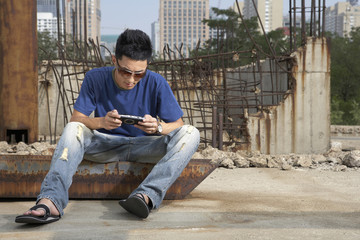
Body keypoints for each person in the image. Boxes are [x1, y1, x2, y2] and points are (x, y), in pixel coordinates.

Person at [15, 29, 200, 224]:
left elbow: (178, 124)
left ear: (147, 66)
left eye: (139, 74)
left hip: (146, 146)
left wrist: (158, 128)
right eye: (125, 72)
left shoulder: (156, 82)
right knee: (72, 129)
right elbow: (76, 119)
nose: (131, 79)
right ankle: (50, 202)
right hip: (104, 145)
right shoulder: (95, 77)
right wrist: (101, 122)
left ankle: (145, 196)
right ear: (114, 60)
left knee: (191, 133)